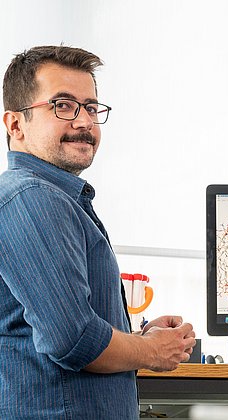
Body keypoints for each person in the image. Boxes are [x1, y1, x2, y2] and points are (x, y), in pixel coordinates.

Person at [0, 46, 196, 419]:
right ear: (15, 125)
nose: (84, 122)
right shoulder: (32, 198)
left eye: (91, 107)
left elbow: (60, 329)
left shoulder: (59, 199)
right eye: (62, 105)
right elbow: (73, 341)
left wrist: (138, 339)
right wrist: (154, 351)